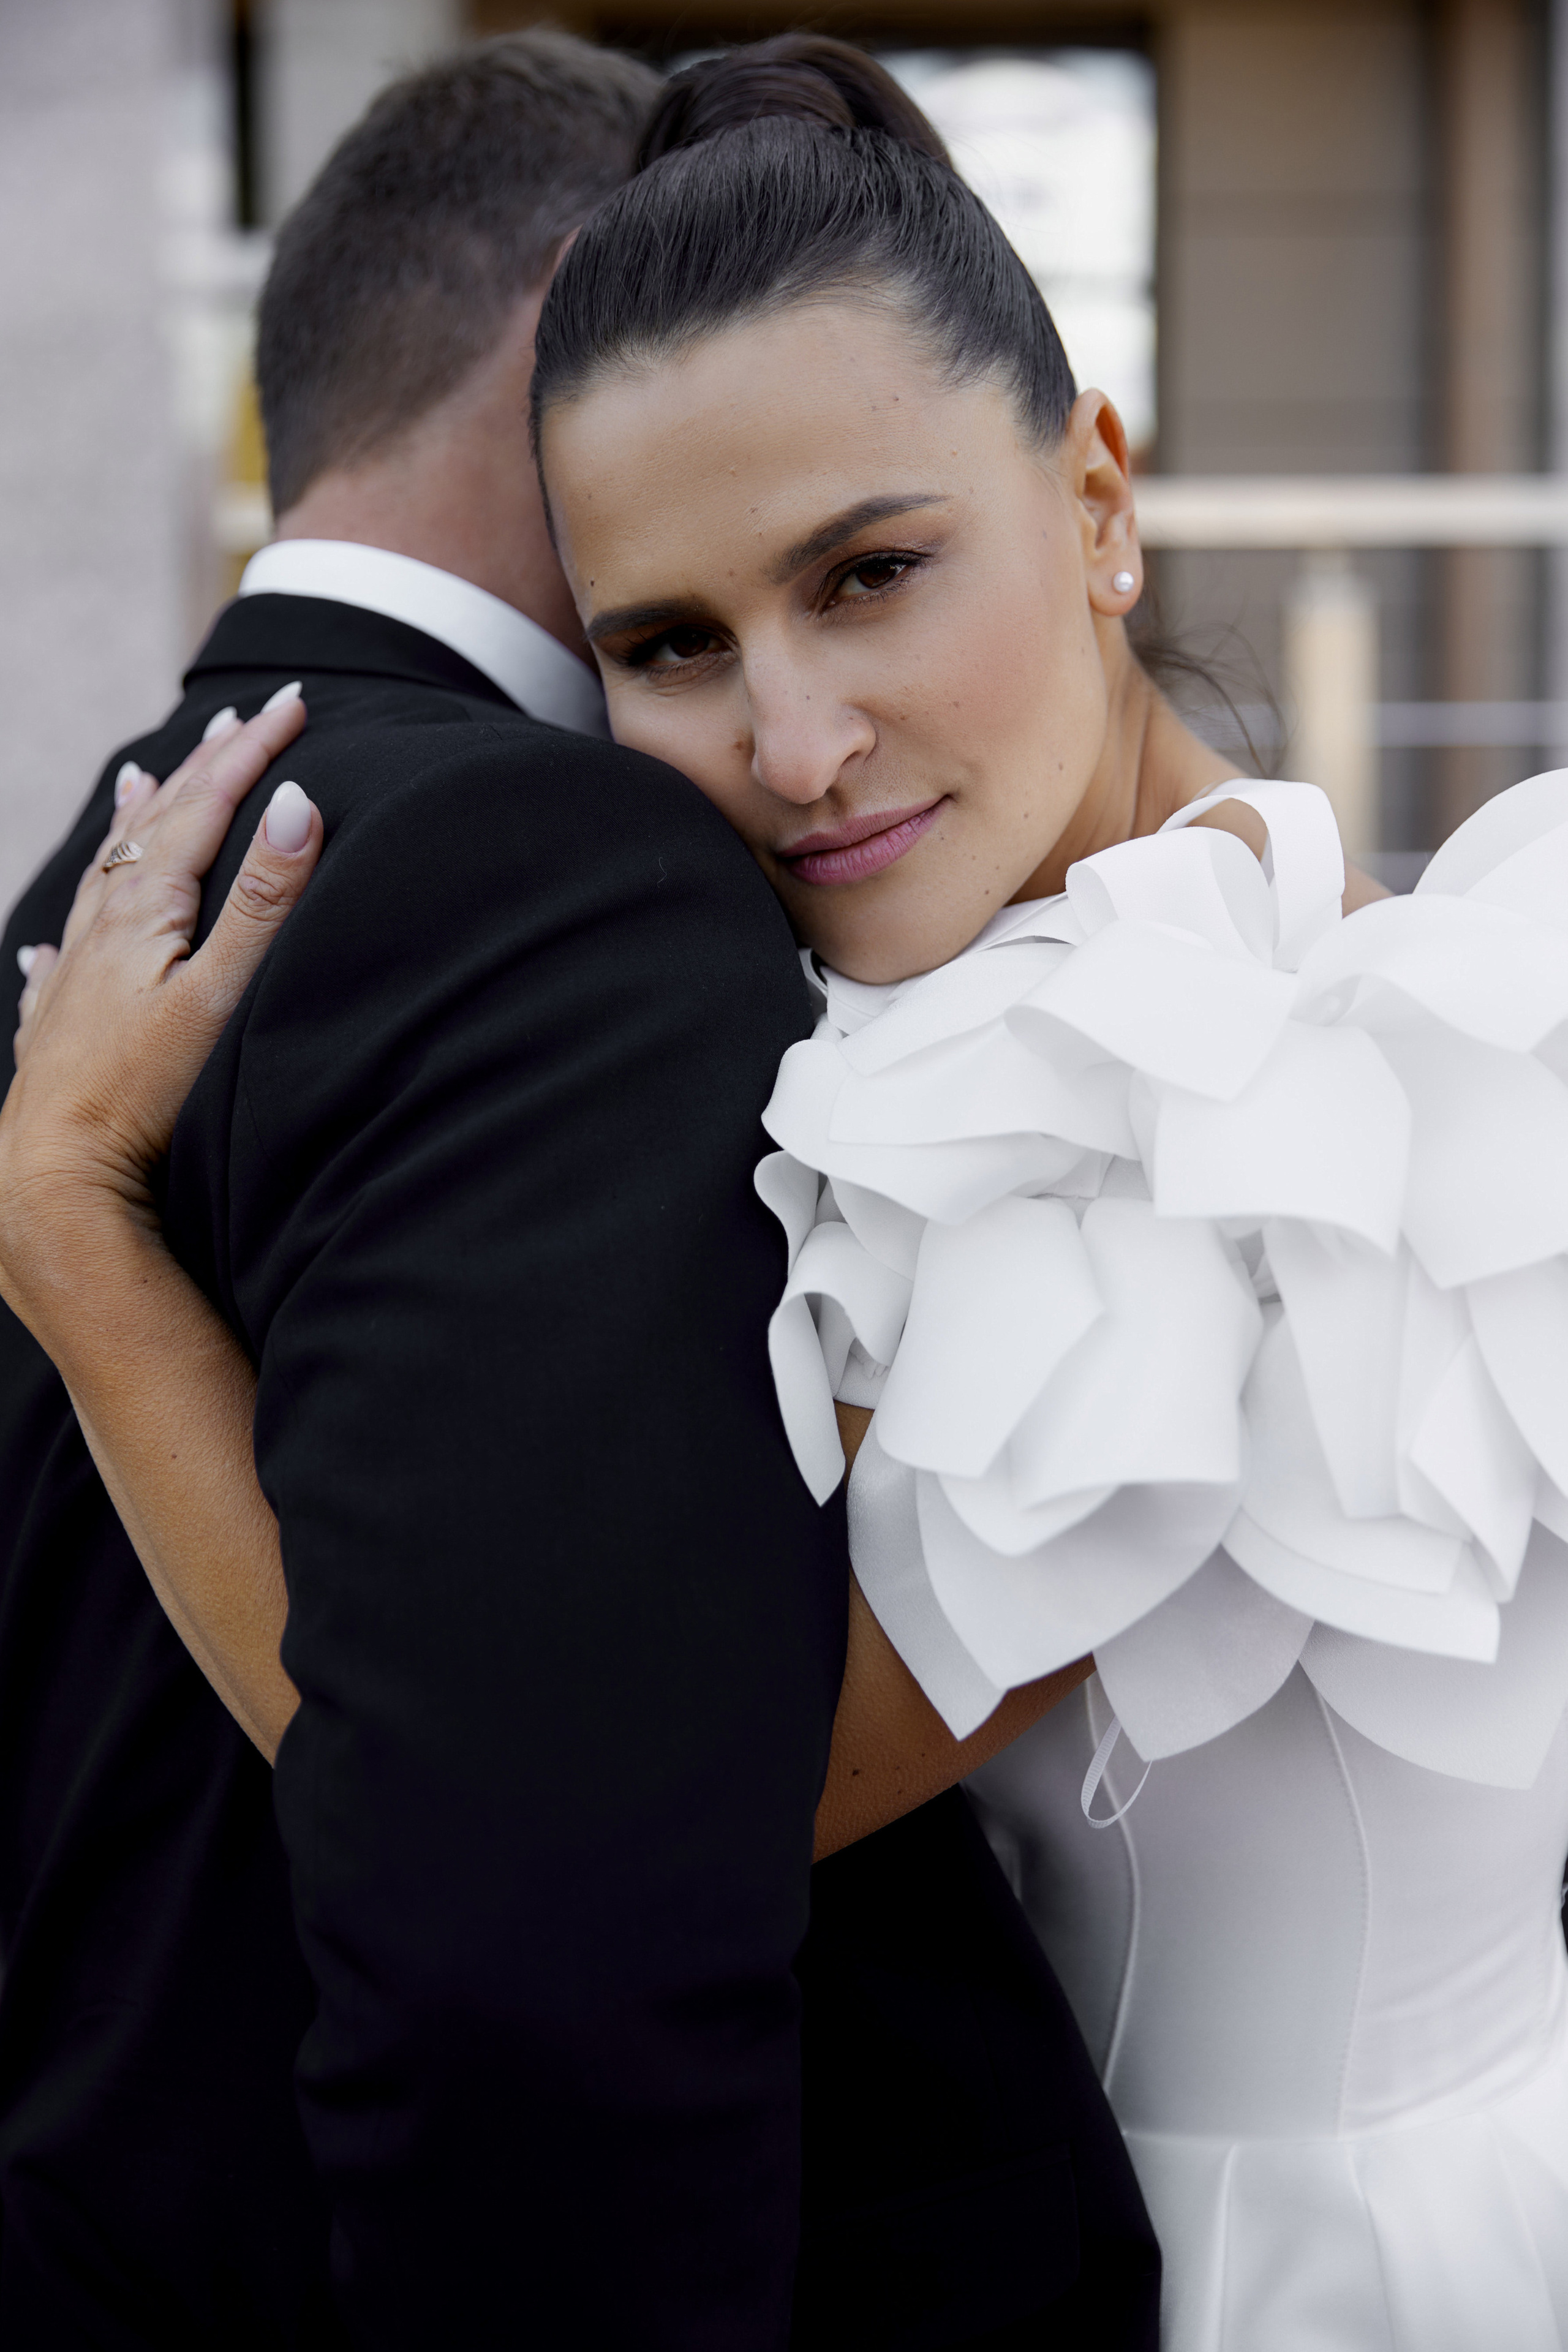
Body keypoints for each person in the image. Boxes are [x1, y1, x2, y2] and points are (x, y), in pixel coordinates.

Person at [0, 30, 1159, 2352]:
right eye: (672, 639)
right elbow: (548, 1930)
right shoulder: (566, 870)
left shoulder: (109, 867)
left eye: (873, 567)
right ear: (585, 340)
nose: (791, 737)